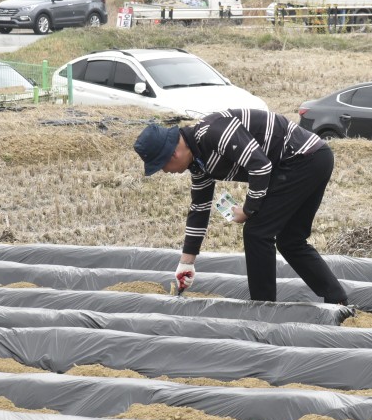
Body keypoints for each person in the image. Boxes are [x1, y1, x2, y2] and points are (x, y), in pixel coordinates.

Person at [134, 109, 348, 305]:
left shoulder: (214, 133)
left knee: (257, 233)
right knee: (290, 240)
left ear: (173, 154)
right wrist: (186, 263)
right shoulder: (198, 163)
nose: (165, 172)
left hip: (302, 159)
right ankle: (337, 300)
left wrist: (248, 210)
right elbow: (199, 208)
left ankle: (263, 309)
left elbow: (261, 166)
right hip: (310, 160)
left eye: (162, 166)